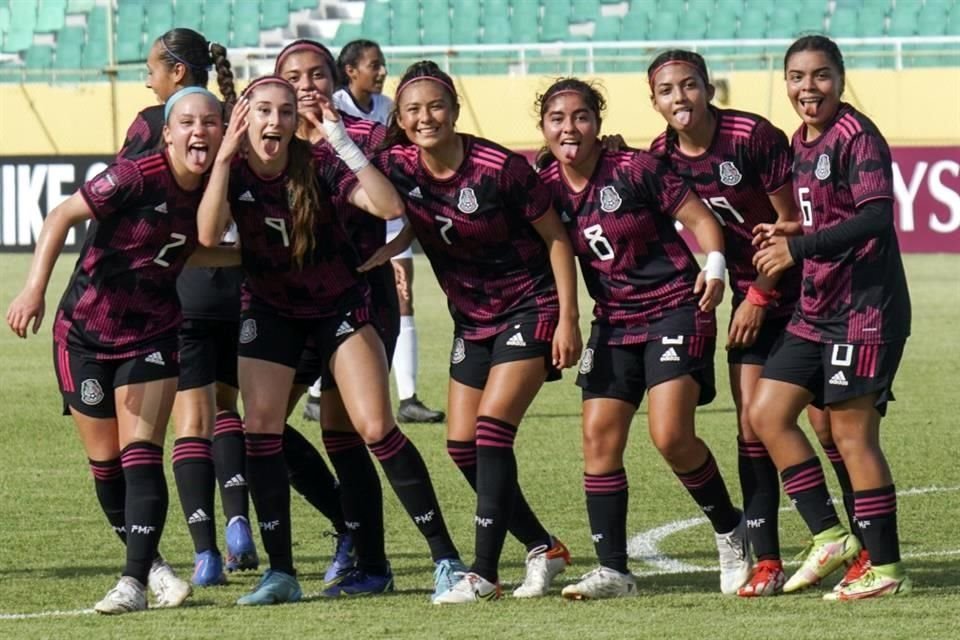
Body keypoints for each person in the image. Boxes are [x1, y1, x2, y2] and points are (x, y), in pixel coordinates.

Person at [197, 75, 465, 605]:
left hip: (338, 307)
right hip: (271, 311)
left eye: (285, 113)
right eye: (264, 111)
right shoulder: (231, 171)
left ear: (299, 121)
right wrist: (224, 156)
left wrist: (340, 140)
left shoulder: (318, 164)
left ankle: (446, 559)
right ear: (245, 117)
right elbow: (207, 236)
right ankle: (282, 574)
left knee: (374, 427)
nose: (275, 122)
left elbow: (390, 208)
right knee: (260, 431)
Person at [646, 49, 867, 597]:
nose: (680, 98)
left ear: (708, 88)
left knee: (827, 426)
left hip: (809, 291)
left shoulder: (752, 136)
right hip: (752, 297)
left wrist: (760, 296)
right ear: (653, 101)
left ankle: (864, 546)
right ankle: (765, 558)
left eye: (689, 85)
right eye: (667, 90)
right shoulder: (661, 156)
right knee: (751, 427)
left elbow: (794, 222)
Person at [6, 88, 236, 614]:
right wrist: (33, 289)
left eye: (210, 123)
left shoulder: (222, 185)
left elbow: (196, 246)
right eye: (188, 123)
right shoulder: (135, 176)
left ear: (223, 133)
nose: (199, 131)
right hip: (82, 333)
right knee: (106, 465)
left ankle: (130, 582)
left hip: (152, 334)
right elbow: (62, 216)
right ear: (169, 133)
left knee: (140, 457)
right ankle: (153, 568)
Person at [365, 61, 581, 604]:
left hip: (529, 306)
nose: (425, 117)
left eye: (436, 106)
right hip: (472, 318)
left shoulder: (498, 167)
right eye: (412, 109)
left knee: (491, 430)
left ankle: (483, 573)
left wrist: (569, 318)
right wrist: (381, 255)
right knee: (461, 445)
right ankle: (541, 544)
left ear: (456, 111)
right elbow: (409, 213)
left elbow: (556, 238)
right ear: (402, 119)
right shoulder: (397, 164)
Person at [535, 77, 751, 598]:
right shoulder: (540, 184)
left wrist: (716, 266)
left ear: (599, 122)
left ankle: (731, 530)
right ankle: (614, 570)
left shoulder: (634, 168)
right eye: (557, 119)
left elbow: (701, 219)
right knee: (598, 439)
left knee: (670, 434)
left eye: (581, 116)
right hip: (612, 321)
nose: (570, 128)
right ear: (542, 127)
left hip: (676, 307)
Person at [749, 35, 912, 601]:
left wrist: (798, 249)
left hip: (864, 310)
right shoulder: (800, 138)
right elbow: (829, 212)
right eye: (797, 77)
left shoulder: (857, 136)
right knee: (766, 413)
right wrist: (794, 230)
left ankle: (885, 569)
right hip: (818, 307)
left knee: (850, 433)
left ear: (840, 79)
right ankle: (830, 535)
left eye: (820, 76)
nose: (807, 88)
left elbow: (874, 217)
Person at [121, 27, 259, 588]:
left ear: (177, 70)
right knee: (231, 411)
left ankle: (204, 553)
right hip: (242, 285)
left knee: (191, 424)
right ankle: (239, 519)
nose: (147, 77)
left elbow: (132, 196)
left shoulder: (155, 124)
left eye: (152, 66)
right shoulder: (237, 118)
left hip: (184, 283)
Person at [274, 38, 397, 594]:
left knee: (346, 430)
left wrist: (399, 247)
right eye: (293, 75)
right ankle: (346, 527)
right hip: (293, 307)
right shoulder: (268, 147)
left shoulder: (371, 136)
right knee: (265, 427)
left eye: (317, 74)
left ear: (336, 79)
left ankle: (373, 561)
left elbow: (422, 194)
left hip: (360, 300)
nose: (306, 84)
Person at [327, 39, 445, 425]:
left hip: (388, 212)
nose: (381, 72)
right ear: (350, 71)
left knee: (404, 298)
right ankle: (319, 390)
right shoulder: (336, 107)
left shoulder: (387, 109)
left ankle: (408, 396)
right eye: (374, 65)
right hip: (351, 215)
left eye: (382, 65)